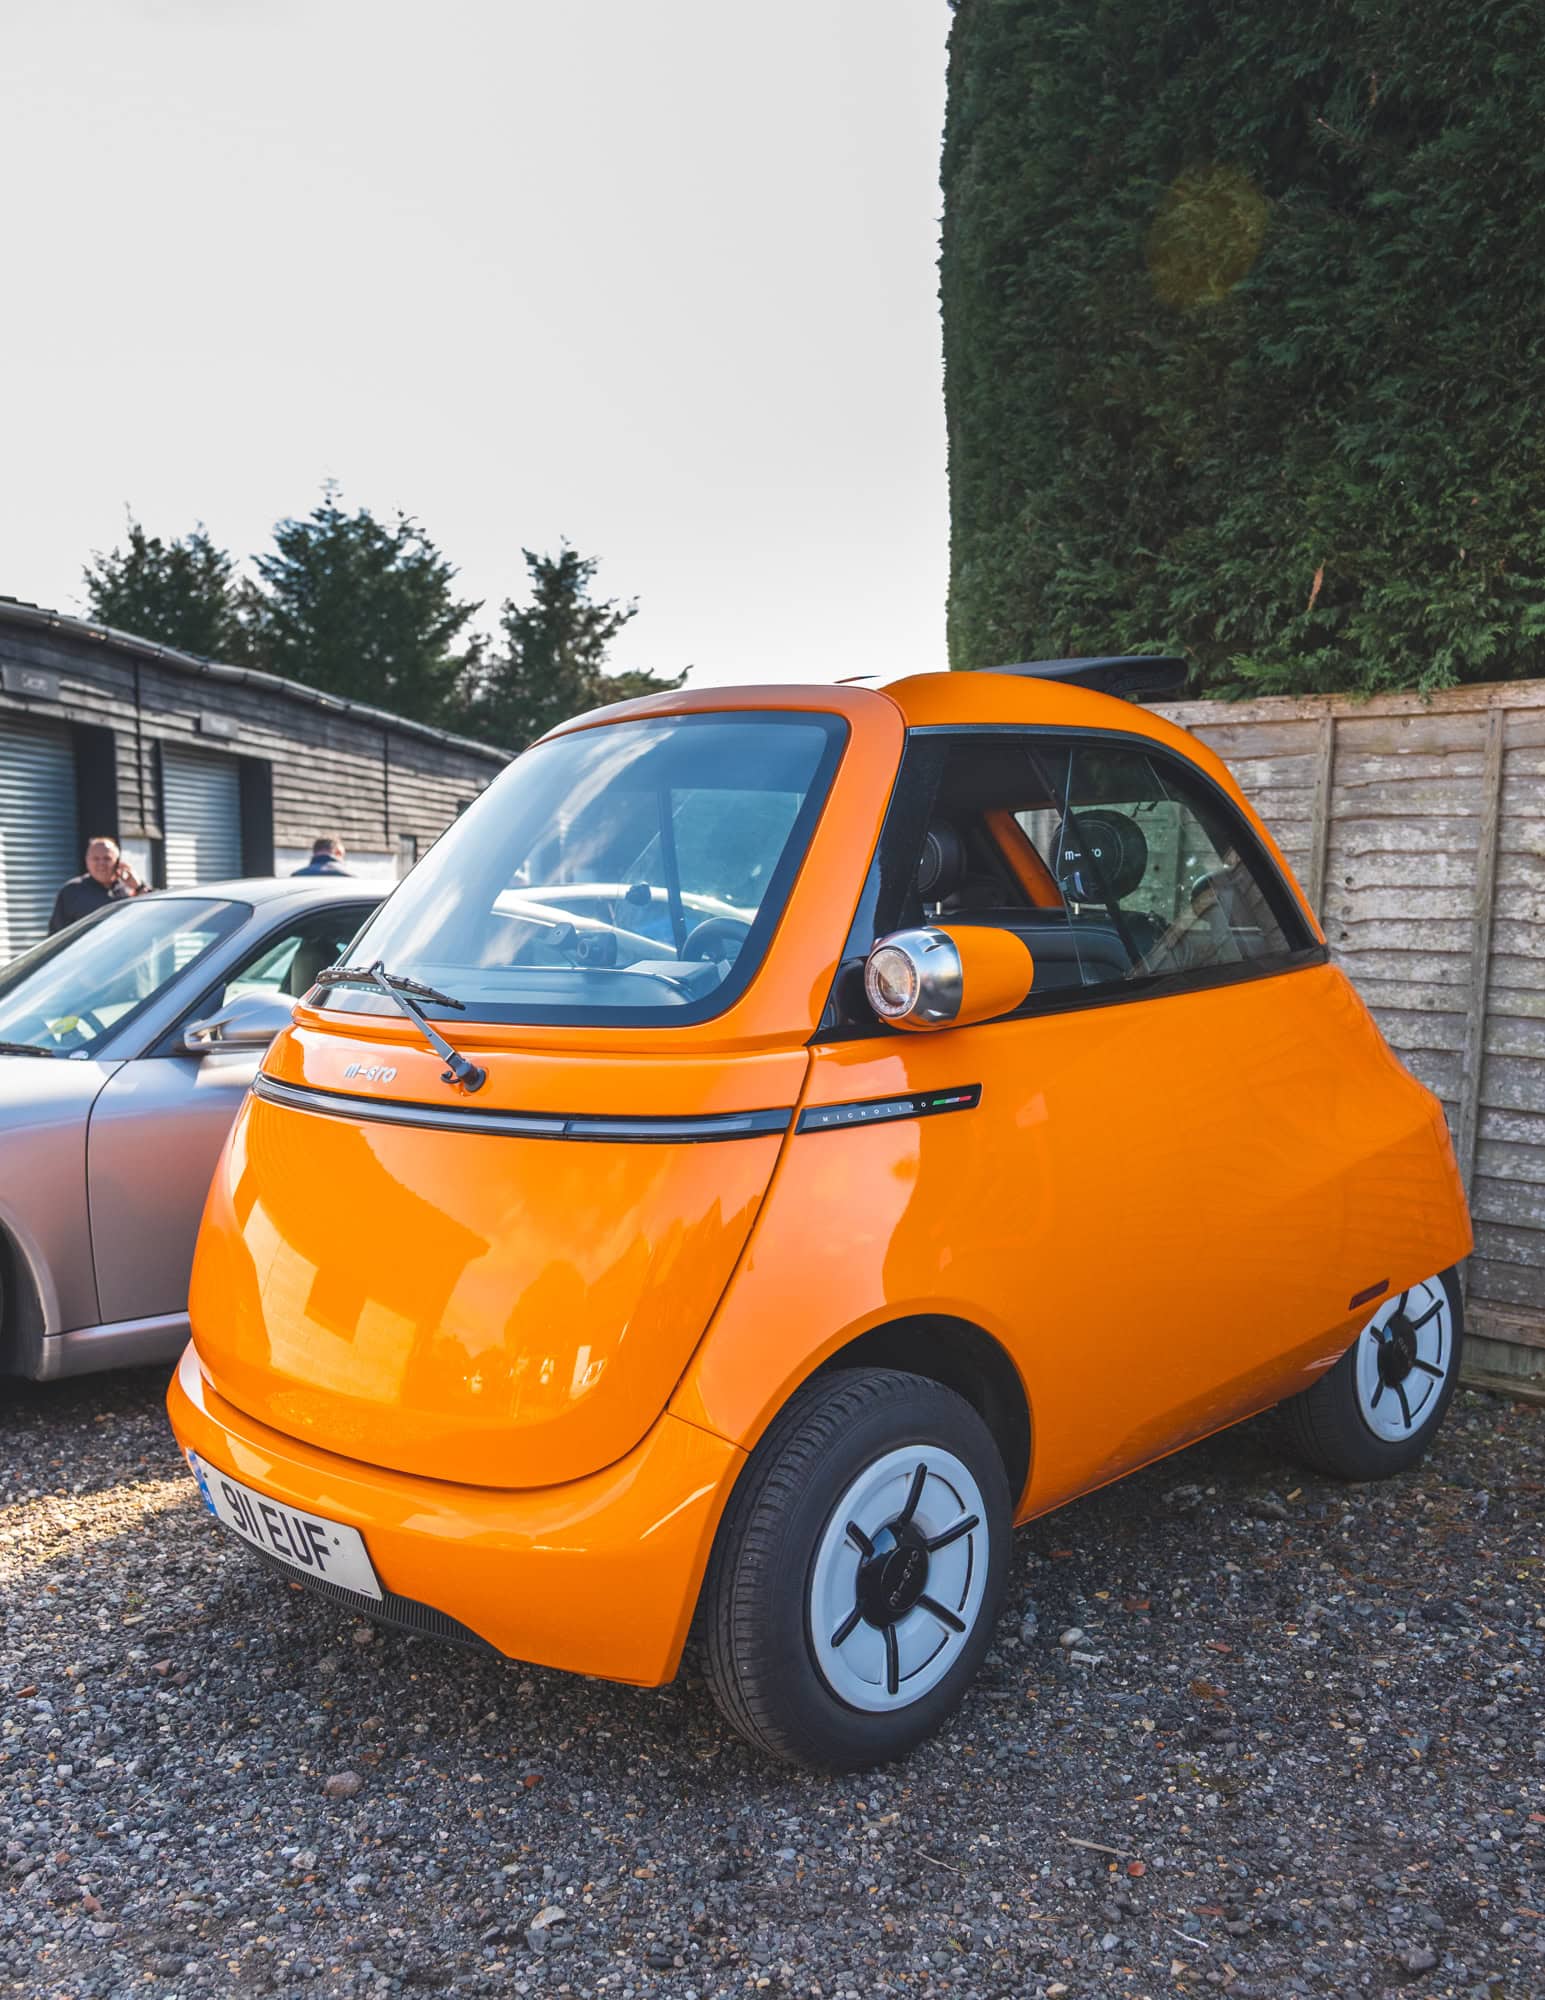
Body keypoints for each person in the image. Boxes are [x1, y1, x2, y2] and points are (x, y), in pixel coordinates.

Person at [48, 836, 146, 934]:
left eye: (107, 858)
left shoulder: (130, 889)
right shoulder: (72, 891)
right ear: (87, 861)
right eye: (96, 859)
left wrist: (139, 886)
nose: (101, 863)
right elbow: (57, 935)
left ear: (118, 862)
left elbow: (156, 918)